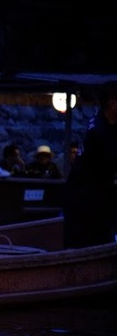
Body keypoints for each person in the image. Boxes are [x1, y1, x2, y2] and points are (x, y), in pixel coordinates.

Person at [63, 82, 117, 248]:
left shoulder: (106, 122)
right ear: (112, 103)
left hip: (100, 196)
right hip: (86, 199)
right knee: (91, 243)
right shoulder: (99, 131)